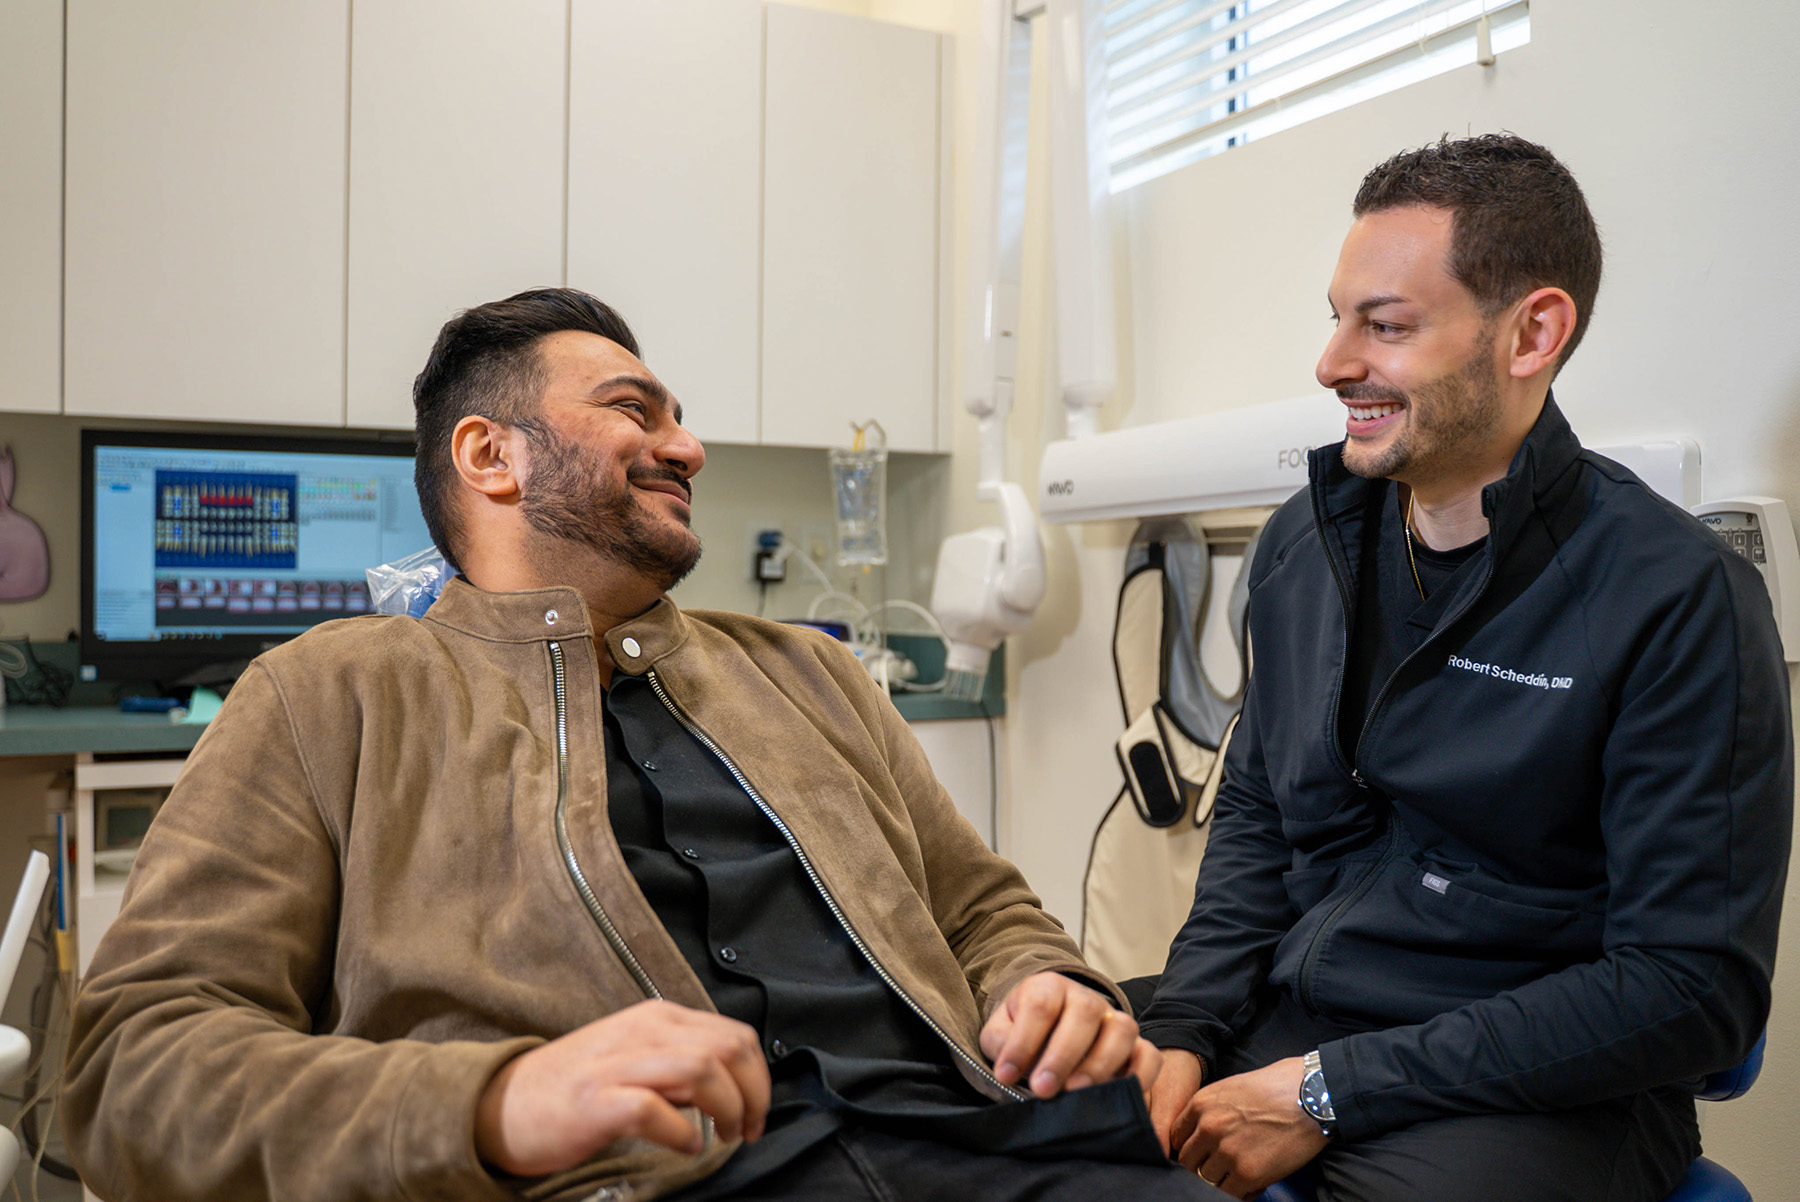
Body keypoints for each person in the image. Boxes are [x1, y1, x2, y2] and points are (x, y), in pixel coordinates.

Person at [63, 288, 1230, 1202]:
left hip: (996, 1147)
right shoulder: (331, 697)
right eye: (637, 409)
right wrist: (497, 1100)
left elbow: (980, 906)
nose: (689, 445)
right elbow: (130, 1068)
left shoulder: (810, 671)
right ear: (490, 455)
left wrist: (1045, 980)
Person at [1138, 134, 1792, 1201]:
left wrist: (1328, 1090)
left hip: (1529, 1087)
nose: (1332, 361)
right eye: (1339, 316)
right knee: (987, 1102)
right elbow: (1258, 814)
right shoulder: (1301, 551)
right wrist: (1179, 1023)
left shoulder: (1678, 599)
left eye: (1385, 325)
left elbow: (1691, 987)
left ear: (1533, 331)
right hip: (1289, 1015)